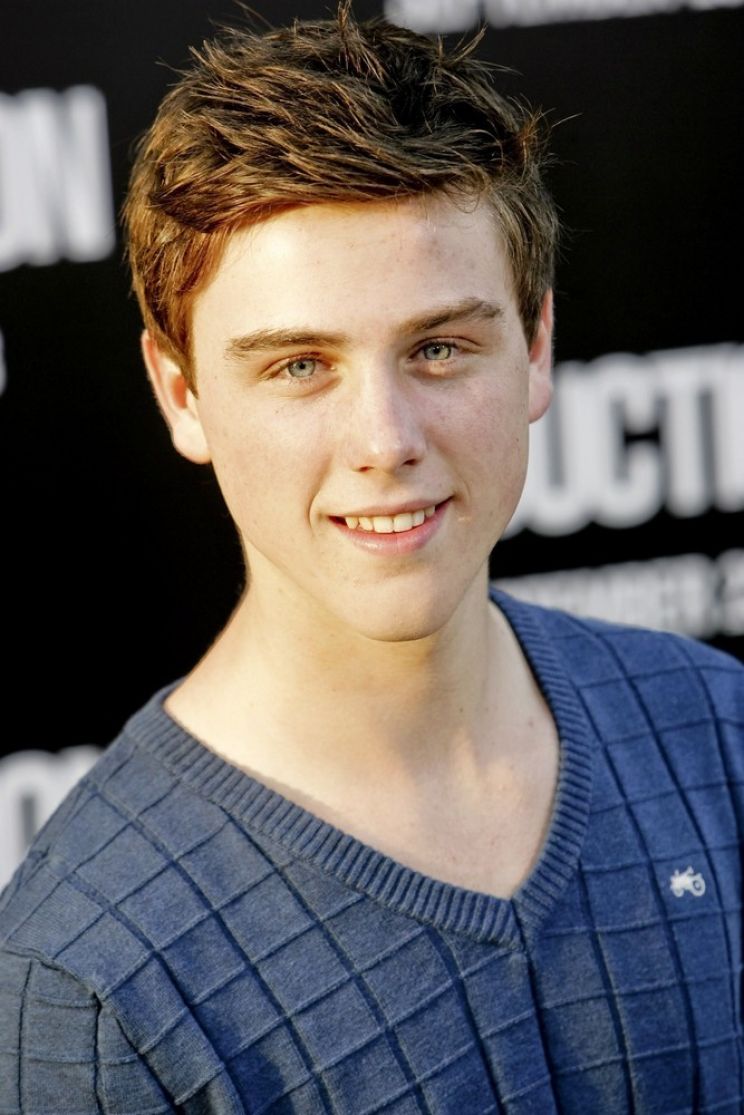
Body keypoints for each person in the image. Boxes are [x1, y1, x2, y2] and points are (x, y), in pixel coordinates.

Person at [1, 5, 742, 1111]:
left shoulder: (719, 735)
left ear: (537, 346)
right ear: (181, 392)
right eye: (299, 365)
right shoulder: (88, 979)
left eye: (439, 346)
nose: (386, 440)